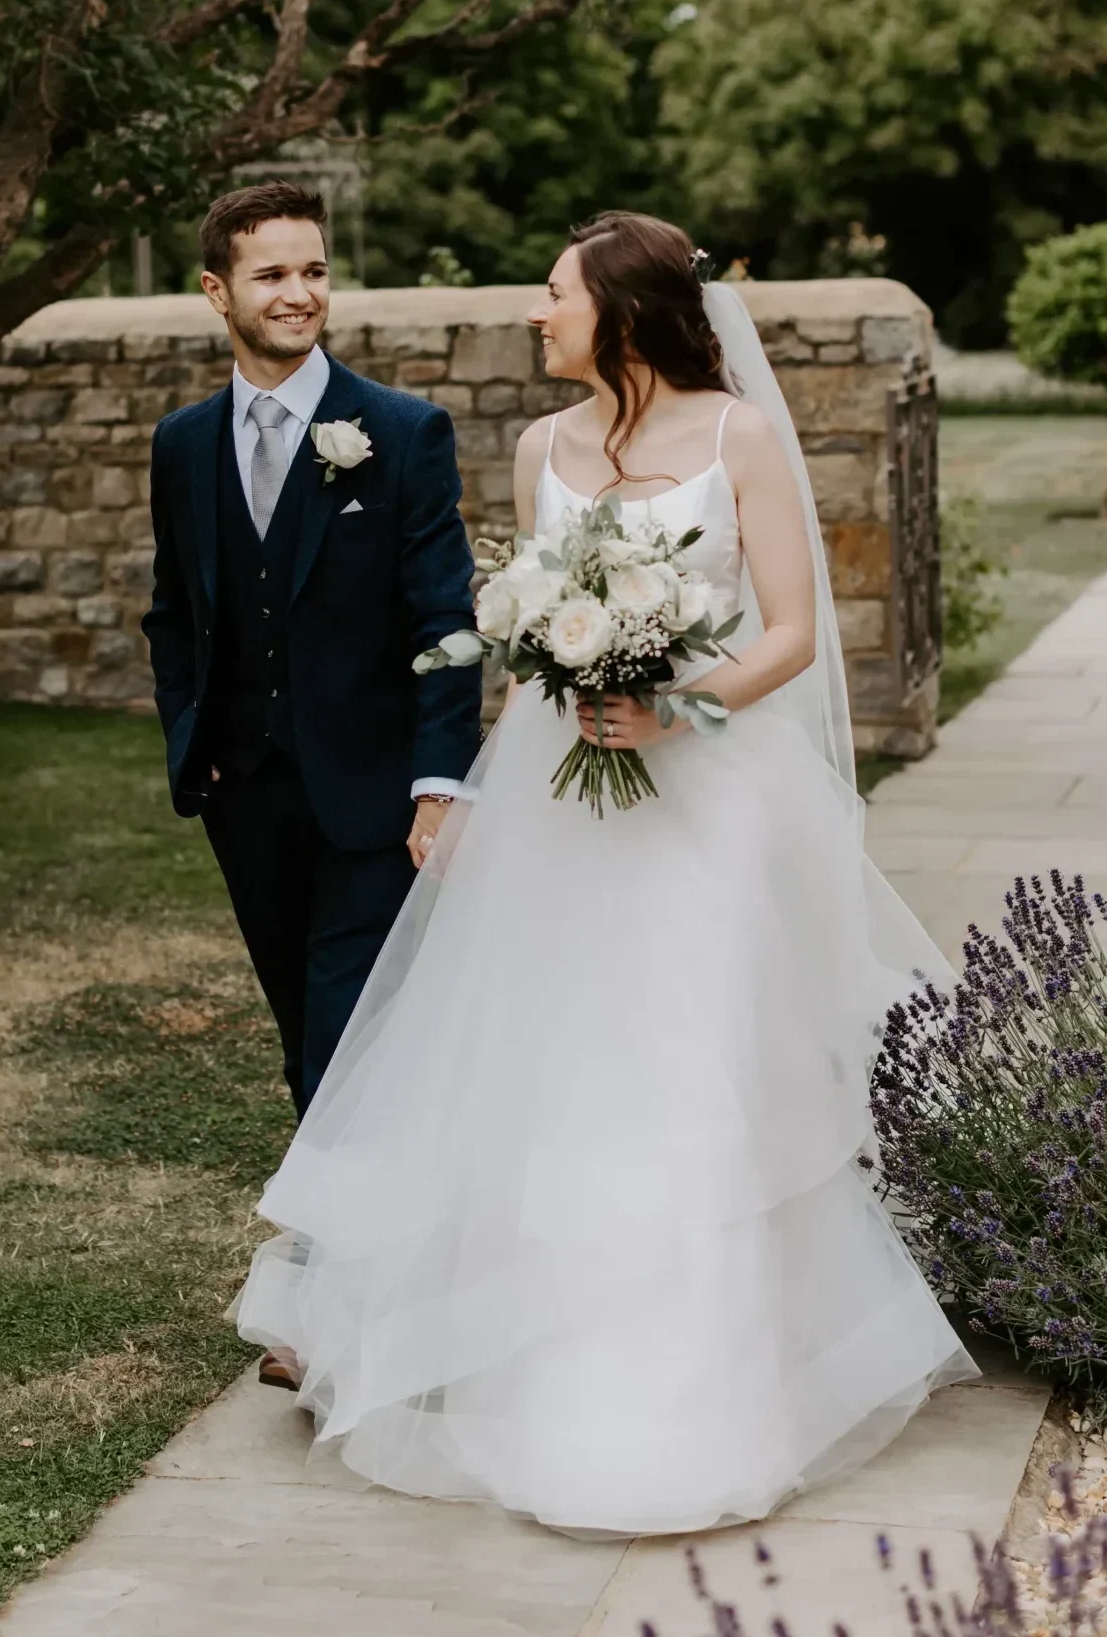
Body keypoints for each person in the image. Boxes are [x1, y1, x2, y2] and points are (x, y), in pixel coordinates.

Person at [231, 211, 978, 1537]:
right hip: (562, 810)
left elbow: (796, 635)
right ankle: (560, 1386)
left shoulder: (738, 435)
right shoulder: (541, 449)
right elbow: (524, 650)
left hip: (711, 808)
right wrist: (475, 786)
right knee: (564, 1073)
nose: (538, 313)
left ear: (622, 311)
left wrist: (673, 703)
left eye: (556, 293)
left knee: (691, 1074)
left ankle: (710, 1410)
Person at [142, 183, 483, 1391]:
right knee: (306, 1040)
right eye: (272, 273)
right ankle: (365, 1275)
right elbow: (175, 609)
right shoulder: (182, 444)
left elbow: (447, 625)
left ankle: (332, 1312)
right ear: (216, 293)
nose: (298, 293)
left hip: (378, 801)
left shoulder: (401, 429)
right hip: (250, 799)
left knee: (349, 1040)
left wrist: (440, 783)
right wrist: (198, 739)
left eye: (314, 270)